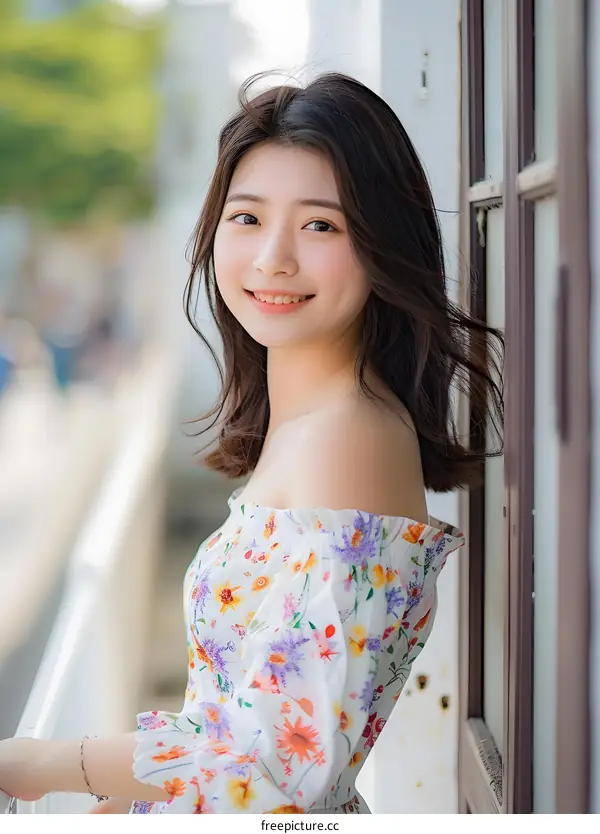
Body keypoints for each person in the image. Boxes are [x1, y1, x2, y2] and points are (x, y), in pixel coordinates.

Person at [0, 72, 503, 814]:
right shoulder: (308, 423)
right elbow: (247, 725)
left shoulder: (349, 438)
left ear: (381, 246)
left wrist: (44, 760)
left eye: (320, 226)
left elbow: (285, 773)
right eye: (247, 219)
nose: (273, 258)